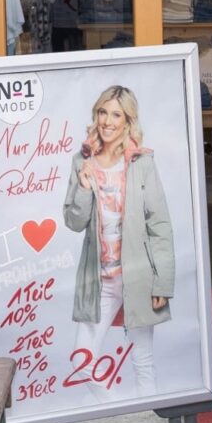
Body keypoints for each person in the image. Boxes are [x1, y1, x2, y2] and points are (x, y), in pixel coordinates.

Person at [63, 85, 175, 399]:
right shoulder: (82, 161)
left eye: (116, 115)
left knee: (143, 360)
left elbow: (159, 224)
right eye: (103, 112)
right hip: (100, 279)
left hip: (137, 274)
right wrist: (84, 188)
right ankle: (121, 410)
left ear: (128, 120)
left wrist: (162, 283)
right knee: (82, 361)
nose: (107, 121)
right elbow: (73, 222)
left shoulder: (141, 162)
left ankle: (149, 417)